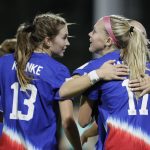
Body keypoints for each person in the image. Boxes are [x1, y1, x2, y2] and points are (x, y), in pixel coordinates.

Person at [60, 15, 150, 149]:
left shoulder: (98, 66)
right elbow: (124, 114)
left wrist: (97, 75)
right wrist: (88, 133)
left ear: (108, 40)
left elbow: (66, 94)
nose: (90, 33)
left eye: (95, 31)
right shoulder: (146, 67)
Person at [0, 12, 83, 150]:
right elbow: (67, 122)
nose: (67, 43)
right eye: (64, 38)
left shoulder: (4, 63)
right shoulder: (58, 71)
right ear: (48, 41)